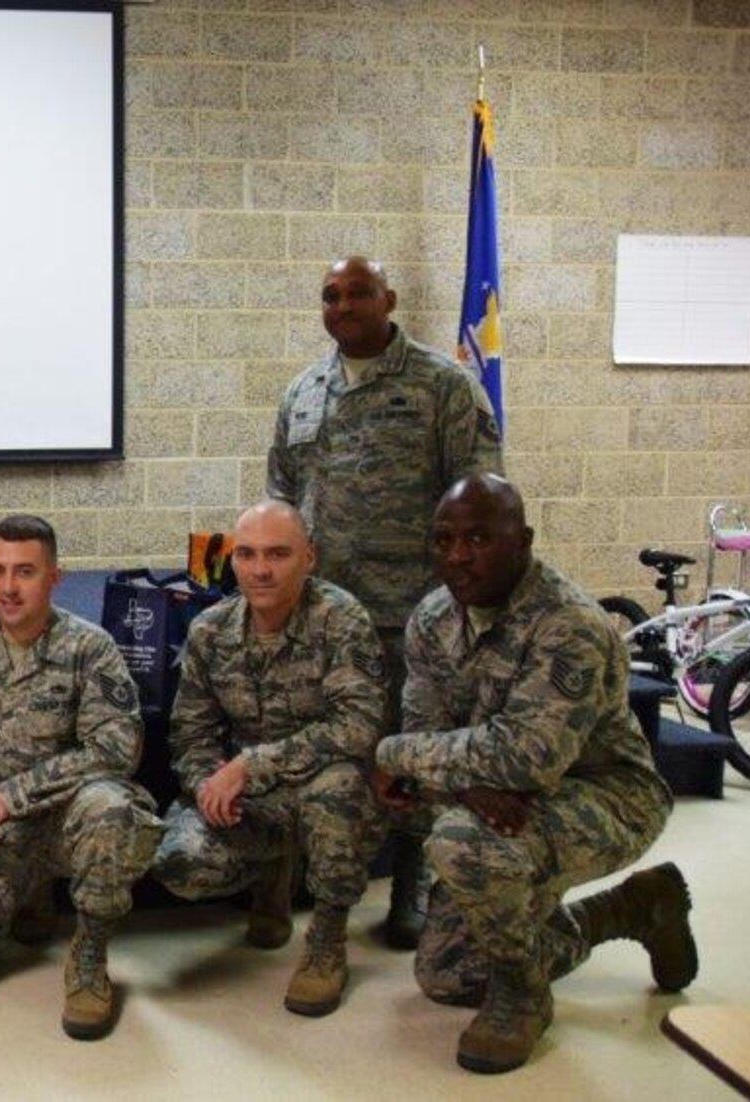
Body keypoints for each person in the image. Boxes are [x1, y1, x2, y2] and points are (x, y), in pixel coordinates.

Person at [373, 474, 697, 1074]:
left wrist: (398, 753)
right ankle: (631, 909)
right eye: (444, 539)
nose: (457, 555)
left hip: (609, 795)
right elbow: (430, 733)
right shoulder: (432, 618)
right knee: (445, 976)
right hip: (494, 798)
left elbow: (525, 759)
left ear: (522, 540)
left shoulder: (568, 624)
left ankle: (522, 997)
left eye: (478, 537)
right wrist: (465, 780)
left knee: (461, 844)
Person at [267, 254, 504, 949]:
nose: (342, 306)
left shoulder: (443, 386)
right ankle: (315, 880)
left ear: (389, 299)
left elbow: (482, 499)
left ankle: (411, 888)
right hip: (323, 617)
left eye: (358, 293)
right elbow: (283, 495)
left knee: (412, 754)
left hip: (414, 613)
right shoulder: (304, 391)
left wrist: (461, 605)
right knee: (323, 749)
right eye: (330, 295)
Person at [0, 515, 163, 1040]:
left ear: (54, 578)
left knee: (111, 807)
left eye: (25, 572)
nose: (8, 588)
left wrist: (13, 795)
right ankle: (15, 895)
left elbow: (116, 748)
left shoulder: (90, 649)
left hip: (69, 823)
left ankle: (89, 957)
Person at [151, 500, 385, 1017]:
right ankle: (272, 877)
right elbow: (190, 733)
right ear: (232, 561)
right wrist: (209, 787)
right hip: (249, 798)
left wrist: (250, 767)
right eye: (248, 554)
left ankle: (327, 940)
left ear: (309, 557)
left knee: (339, 787)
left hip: (321, 789)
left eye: (278, 554)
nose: (260, 569)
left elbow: (358, 726)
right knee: (179, 861)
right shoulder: (211, 630)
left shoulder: (341, 619)